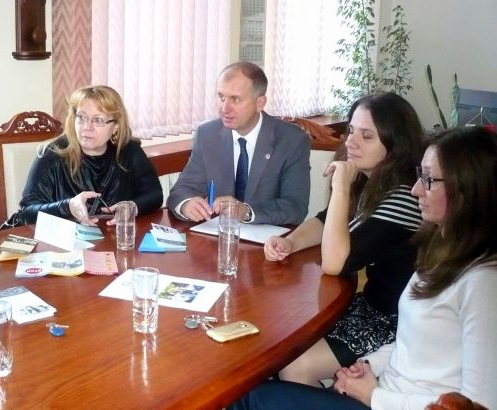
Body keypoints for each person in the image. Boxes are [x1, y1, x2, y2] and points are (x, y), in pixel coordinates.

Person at [231, 126, 497, 409]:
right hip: (386, 390)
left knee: (248, 396)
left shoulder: (483, 283)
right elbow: (410, 343)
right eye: (420, 175)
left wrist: (374, 396)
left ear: (468, 191)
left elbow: (480, 404)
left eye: (429, 179)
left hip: (386, 400)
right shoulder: (443, 251)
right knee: (254, 383)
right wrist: (368, 365)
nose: (416, 189)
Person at [264, 92, 424, 386]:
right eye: (351, 131)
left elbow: (335, 262)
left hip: (396, 321)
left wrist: (340, 188)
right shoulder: (372, 181)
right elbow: (325, 220)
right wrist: (291, 242)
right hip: (370, 305)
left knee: (295, 366)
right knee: (279, 332)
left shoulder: (404, 198)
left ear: (395, 145)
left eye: (367, 136)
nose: (350, 141)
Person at [166, 61, 310, 226]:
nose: (224, 108)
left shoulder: (291, 140)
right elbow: (181, 190)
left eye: (235, 99)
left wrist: (246, 211)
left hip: (270, 237)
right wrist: (186, 204)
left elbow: (295, 207)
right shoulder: (207, 134)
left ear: (260, 103)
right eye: (221, 97)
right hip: (219, 235)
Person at [16, 85, 162, 226]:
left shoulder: (129, 150)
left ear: (115, 126)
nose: (87, 127)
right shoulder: (51, 155)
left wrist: (133, 207)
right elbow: (27, 213)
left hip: (113, 237)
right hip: (62, 240)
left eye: (98, 120)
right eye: (81, 117)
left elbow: (154, 195)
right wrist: (68, 207)